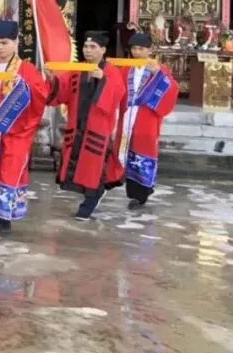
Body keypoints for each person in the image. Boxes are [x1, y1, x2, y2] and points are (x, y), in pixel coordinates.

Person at [0, 20, 48, 242]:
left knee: (9, 170)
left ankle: (2, 219)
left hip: (15, 130)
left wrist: (24, 87)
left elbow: (40, 96)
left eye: (4, 43)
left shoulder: (28, 70)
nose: (0, 47)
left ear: (16, 42)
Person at [46, 30, 127, 220]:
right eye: (85, 46)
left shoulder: (111, 71)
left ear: (103, 50)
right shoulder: (78, 69)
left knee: (94, 165)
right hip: (77, 125)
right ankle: (92, 193)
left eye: (93, 47)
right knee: (78, 163)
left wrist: (103, 80)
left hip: (98, 128)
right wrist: (52, 78)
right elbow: (62, 91)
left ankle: (91, 199)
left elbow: (118, 95)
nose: (88, 50)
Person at [114, 33, 179, 209]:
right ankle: (128, 187)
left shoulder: (159, 69)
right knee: (125, 149)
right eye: (134, 48)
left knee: (143, 152)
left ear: (150, 50)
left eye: (141, 49)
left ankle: (142, 192)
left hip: (146, 116)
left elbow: (172, 88)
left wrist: (158, 74)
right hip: (127, 116)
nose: (137, 52)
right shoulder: (125, 68)